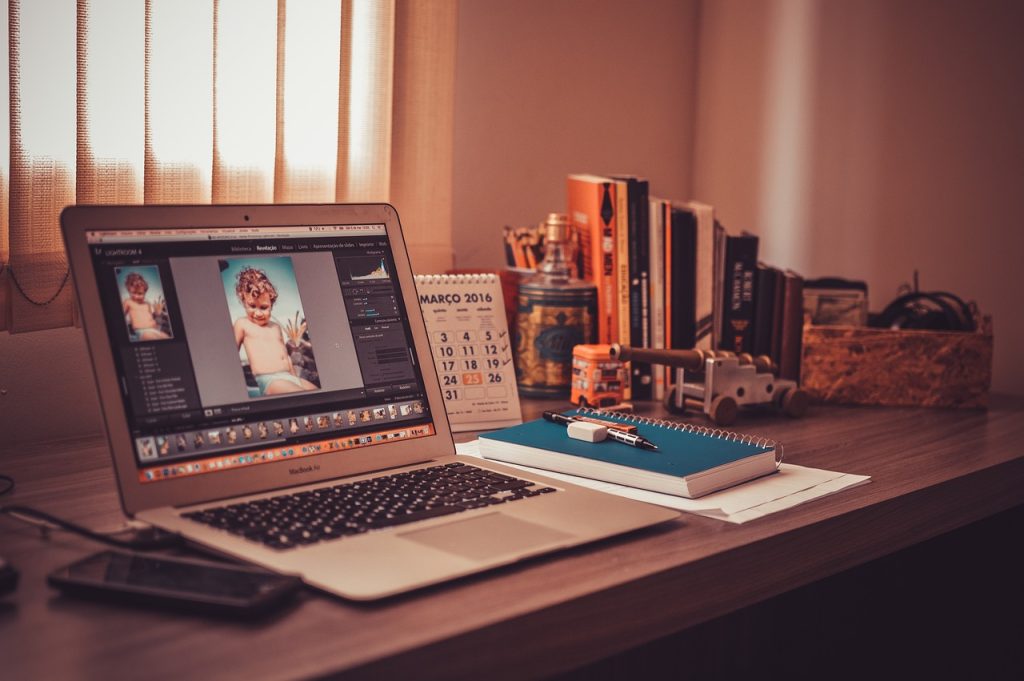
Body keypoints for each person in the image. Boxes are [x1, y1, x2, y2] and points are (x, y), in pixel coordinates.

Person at [232, 267, 317, 396]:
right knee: (302, 396)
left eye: (264, 307)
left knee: (317, 392)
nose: (258, 313)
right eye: (252, 306)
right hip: (270, 380)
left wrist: (295, 378)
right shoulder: (243, 324)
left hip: (289, 376)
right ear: (244, 302)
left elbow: (286, 356)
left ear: (272, 304)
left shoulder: (275, 327)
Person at [122, 272, 170, 340]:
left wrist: (157, 313)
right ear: (129, 291)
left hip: (155, 330)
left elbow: (151, 317)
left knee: (166, 337)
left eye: (140, 293)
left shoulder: (147, 304)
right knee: (151, 337)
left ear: (145, 292)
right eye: (133, 293)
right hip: (142, 332)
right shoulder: (128, 302)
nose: (136, 296)